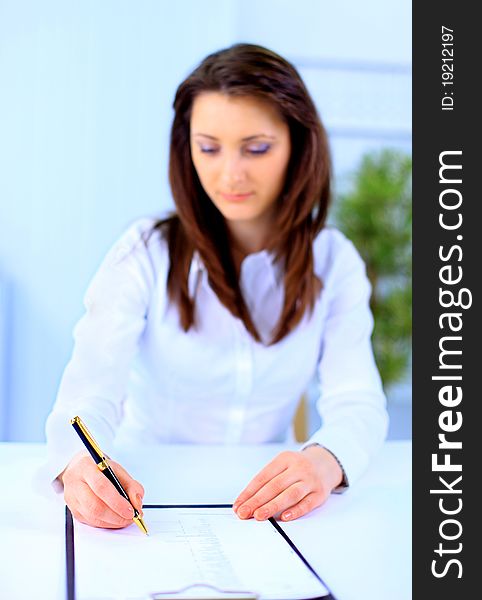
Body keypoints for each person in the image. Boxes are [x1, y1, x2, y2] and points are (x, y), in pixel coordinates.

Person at [44, 43, 388, 530]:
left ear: (298, 144)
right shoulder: (145, 252)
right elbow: (88, 396)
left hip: (263, 507)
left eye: (257, 148)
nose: (230, 174)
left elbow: (358, 402)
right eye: (208, 147)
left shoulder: (333, 262)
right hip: (149, 491)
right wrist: (81, 466)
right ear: (187, 148)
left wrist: (325, 460)